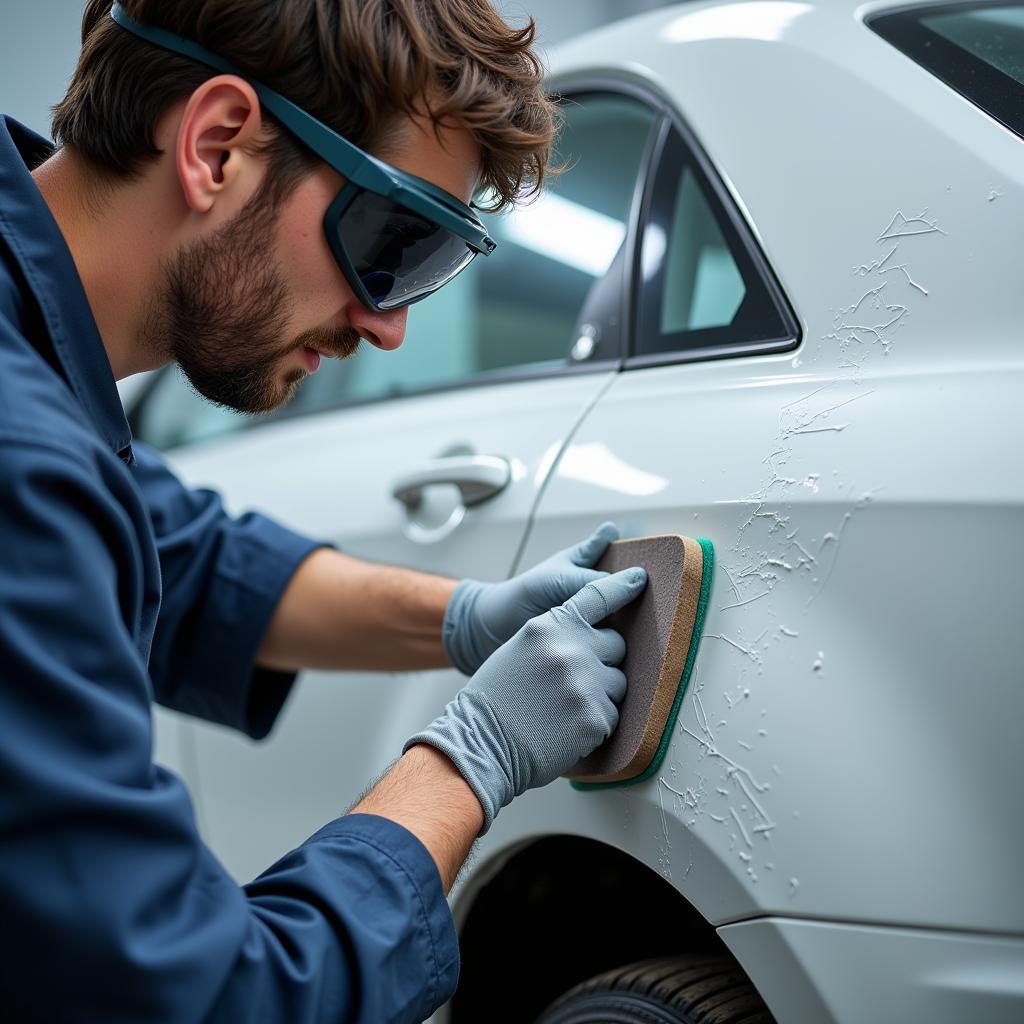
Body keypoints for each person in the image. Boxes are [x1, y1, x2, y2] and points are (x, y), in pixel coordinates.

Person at [0, 1, 648, 1021]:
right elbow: (199, 1000)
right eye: (394, 238)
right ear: (218, 145)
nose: (388, 324)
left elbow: (185, 553)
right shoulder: (22, 457)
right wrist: (468, 759)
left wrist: (460, 616)